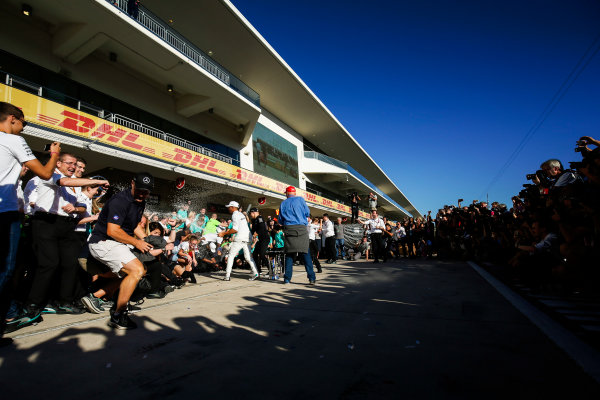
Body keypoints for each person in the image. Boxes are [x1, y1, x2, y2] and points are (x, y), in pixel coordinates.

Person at [0, 102, 62, 346]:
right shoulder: (13, 140)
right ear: (13, 119)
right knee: (5, 270)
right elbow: (46, 174)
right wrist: (54, 153)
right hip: (5, 213)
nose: (23, 128)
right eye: (23, 123)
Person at [25, 153, 110, 317]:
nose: (73, 167)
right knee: (49, 263)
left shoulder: (75, 186)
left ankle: (64, 301)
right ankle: (33, 304)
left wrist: (74, 208)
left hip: (66, 225)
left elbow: (81, 208)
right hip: (46, 222)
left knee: (70, 264)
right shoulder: (50, 174)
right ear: (58, 163)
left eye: (74, 164)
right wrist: (97, 181)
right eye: (69, 163)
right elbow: (64, 181)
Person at [87, 172, 154, 330]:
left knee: (138, 272)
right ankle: (118, 315)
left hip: (119, 243)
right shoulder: (120, 201)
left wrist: (146, 241)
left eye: (146, 191)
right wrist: (137, 243)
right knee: (136, 270)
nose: (142, 194)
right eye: (139, 189)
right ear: (132, 184)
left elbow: (135, 225)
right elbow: (113, 231)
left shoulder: (140, 201)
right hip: (103, 242)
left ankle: (96, 297)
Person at [278, 186, 316, 285]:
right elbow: (307, 213)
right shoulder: (300, 199)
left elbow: (280, 220)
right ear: (294, 193)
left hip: (289, 230)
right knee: (306, 253)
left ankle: (287, 279)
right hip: (301, 229)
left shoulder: (283, 203)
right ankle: (311, 278)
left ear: (287, 193)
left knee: (289, 255)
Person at [218, 201, 259, 281]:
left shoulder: (235, 215)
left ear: (233, 207)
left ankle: (227, 276)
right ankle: (255, 273)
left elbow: (235, 229)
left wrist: (223, 233)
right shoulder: (241, 214)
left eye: (229, 207)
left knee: (231, 256)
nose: (228, 208)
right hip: (248, 237)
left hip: (240, 238)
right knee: (248, 257)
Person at [250, 208, 270, 276]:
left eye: (251, 213)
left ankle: (271, 270)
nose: (251, 215)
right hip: (260, 240)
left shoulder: (260, 218)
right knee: (254, 254)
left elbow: (262, 228)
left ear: (254, 212)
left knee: (262, 254)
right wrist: (253, 235)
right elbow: (252, 230)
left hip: (265, 239)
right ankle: (258, 270)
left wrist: (256, 234)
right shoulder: (254, 220)